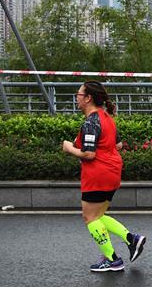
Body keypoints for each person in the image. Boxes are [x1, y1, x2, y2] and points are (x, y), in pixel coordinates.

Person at [61, 81, 147, 272]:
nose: (77, 97)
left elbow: (89, 154)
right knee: (98, 215)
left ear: (88, 98)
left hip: (98, 173)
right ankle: (131, 239)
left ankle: (113, 259)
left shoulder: (91, 121)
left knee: (89, 218)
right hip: (112, 172)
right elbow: (118, 145)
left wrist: (69, 148)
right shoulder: (106, 117)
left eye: (79, 94)